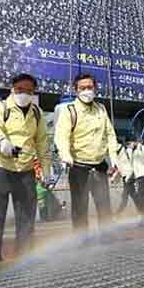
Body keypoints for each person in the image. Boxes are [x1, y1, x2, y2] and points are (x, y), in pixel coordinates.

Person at [0, 73, 49, 263]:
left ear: (34, 92)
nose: (24, 94)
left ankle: (25, 258)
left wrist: (45, 170)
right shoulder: (0, 107)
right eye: (20, 89)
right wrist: (3, 141)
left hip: (26, 171)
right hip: (0, 168)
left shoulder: (37, 113)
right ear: (12, 89)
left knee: (27, 217)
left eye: (29, 91)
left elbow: (42, 143)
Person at [54, 73, 119, 244]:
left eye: (90, 87)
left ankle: (108, 240)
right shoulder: (70, 110)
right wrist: (65, 155)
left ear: (95, 88)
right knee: (80, 208)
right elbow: (61, 136)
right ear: (75, 90)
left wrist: (114, 159)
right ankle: (82, 242)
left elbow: (110, 135)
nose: (87, 90)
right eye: (82, 88)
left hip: (99, 166)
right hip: (78, 167)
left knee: (104, 206)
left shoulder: (101, 109)